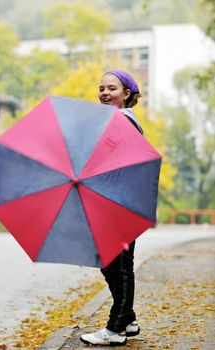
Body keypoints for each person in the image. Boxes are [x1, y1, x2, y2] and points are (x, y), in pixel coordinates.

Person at [80, 70, 143, 346]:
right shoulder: (112, 121)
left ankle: (115, 329)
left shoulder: (123, 120)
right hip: (112, 201)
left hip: (120, 203)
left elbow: (124, 162)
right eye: (102, 88)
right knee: (110, 264)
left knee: (119, 266)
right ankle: (128, 320)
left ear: (126, 94)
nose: (105, 93)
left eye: (112, 88)